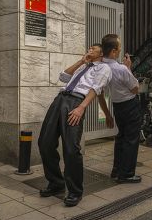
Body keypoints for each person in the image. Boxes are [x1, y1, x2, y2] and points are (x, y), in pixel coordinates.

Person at [38, 44, 112, 207]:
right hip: (60, 100)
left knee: (71, 148)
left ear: (101, 54)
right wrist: (80, 62)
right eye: (89, 48)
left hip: (76, 102)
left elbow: (96, 88)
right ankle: (56, 183)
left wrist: (81, 107)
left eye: (93, 49)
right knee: (45, 142)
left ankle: (75, 191)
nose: (89, 50)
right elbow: (63, 77)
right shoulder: (83, 66)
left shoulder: (103, 68)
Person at [100, 34, 142, 184]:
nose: (120, 51)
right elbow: (135, 89)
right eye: (118, 48)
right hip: (129, 105)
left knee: (121, 137)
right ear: (112, 51)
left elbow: (101, 92)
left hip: (117, 106)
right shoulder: (121, 69)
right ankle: (127, 174)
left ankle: (117, 169)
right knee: (131, 139)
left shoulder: (101, 67)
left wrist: (106, 113)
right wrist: (128, 68)